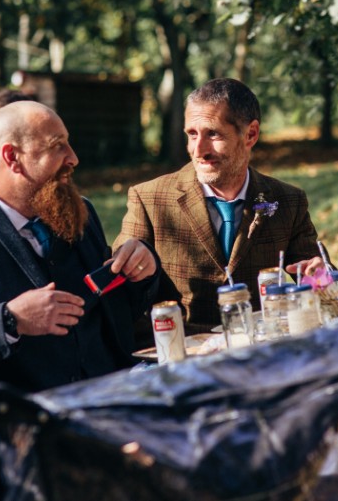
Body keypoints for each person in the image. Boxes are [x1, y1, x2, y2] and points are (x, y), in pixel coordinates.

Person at [0, 101, 160, 498]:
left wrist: (141, 273)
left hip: (105, 404)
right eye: (57, 147)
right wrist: (7, 321)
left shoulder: (78, 211)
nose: (73, 158)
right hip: (11, 427)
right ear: (12, 158)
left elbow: (107, 314)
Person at [114, 78, 322, 336]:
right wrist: (140, 274)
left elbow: (323, 282)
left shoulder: (289, 200)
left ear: (251, 134)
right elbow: (118, 296)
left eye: (213, 133)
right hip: (182, 356)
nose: (198, 150)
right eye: (192, 134)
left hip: (261, 351)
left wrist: (320, 278)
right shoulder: (148, 199)